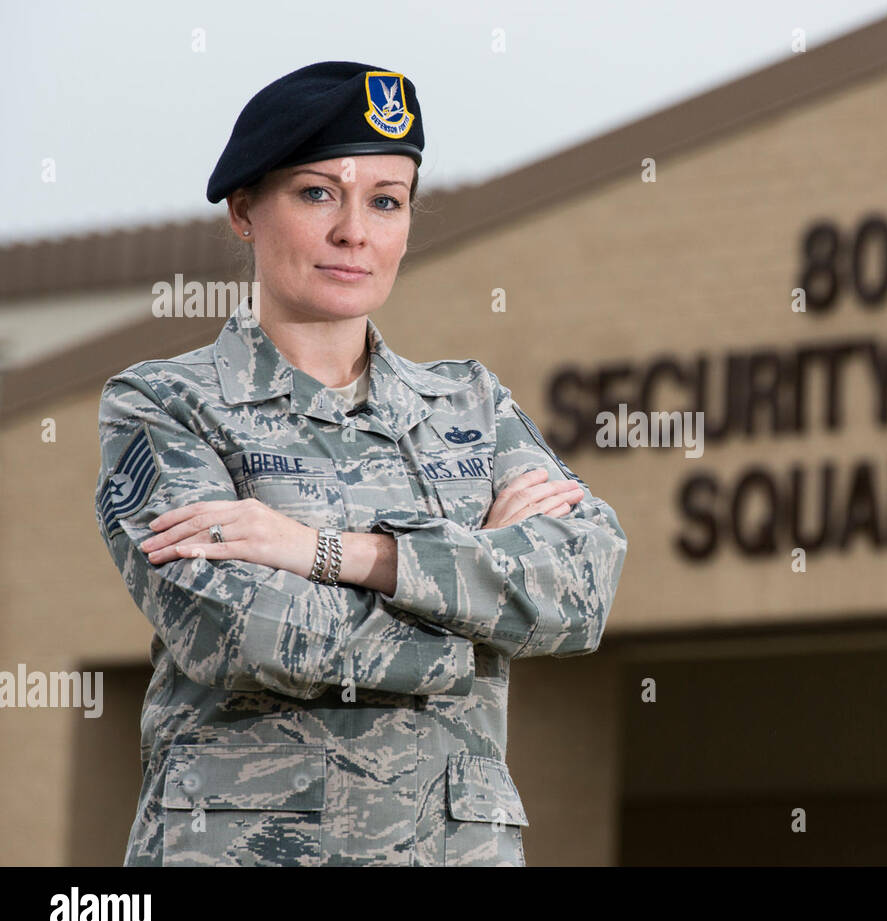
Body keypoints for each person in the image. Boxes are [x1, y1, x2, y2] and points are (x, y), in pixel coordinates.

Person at [92, 61, 628, 866]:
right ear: (244, 210)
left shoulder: (470, 406)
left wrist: (335, 553)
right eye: (317, 194)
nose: (356, 232)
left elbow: (584, 587)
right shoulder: (165, 405)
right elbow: (244, 630)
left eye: (386, 200)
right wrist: (482, 624)